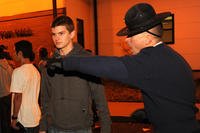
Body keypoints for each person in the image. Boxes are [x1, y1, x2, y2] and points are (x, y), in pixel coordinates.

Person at [47, 3, 200, 133]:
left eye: (131, 35)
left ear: (147, 38)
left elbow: (106, 66)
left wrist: (65, 63)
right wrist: (151, 113)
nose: (127, 40)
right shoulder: (170, 57)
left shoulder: (149, 61)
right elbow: (174, 96)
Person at [39, 15, 111, 133]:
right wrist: (43, 126)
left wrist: (106, 128)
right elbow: (45, 99)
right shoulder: (49, 64)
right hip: (54, 127)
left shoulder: (87, 61)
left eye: (61, 33)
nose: (56, 38)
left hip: (81, 128)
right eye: (54, 34)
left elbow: (100, 100)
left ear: (72, 34)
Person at [10, 40, 41, 132]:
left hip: (24, 119)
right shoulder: (35, 70)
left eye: (14, 51)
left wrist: (14, 118)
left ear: (20, 53)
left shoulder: (18, 71)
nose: (12, 54)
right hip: (35, 116)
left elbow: (18, 97)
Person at [0, 45, 13, 133]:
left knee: (3, 120)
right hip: (9, 95)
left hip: (1, 97)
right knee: (9, 119)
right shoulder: (9, 66)